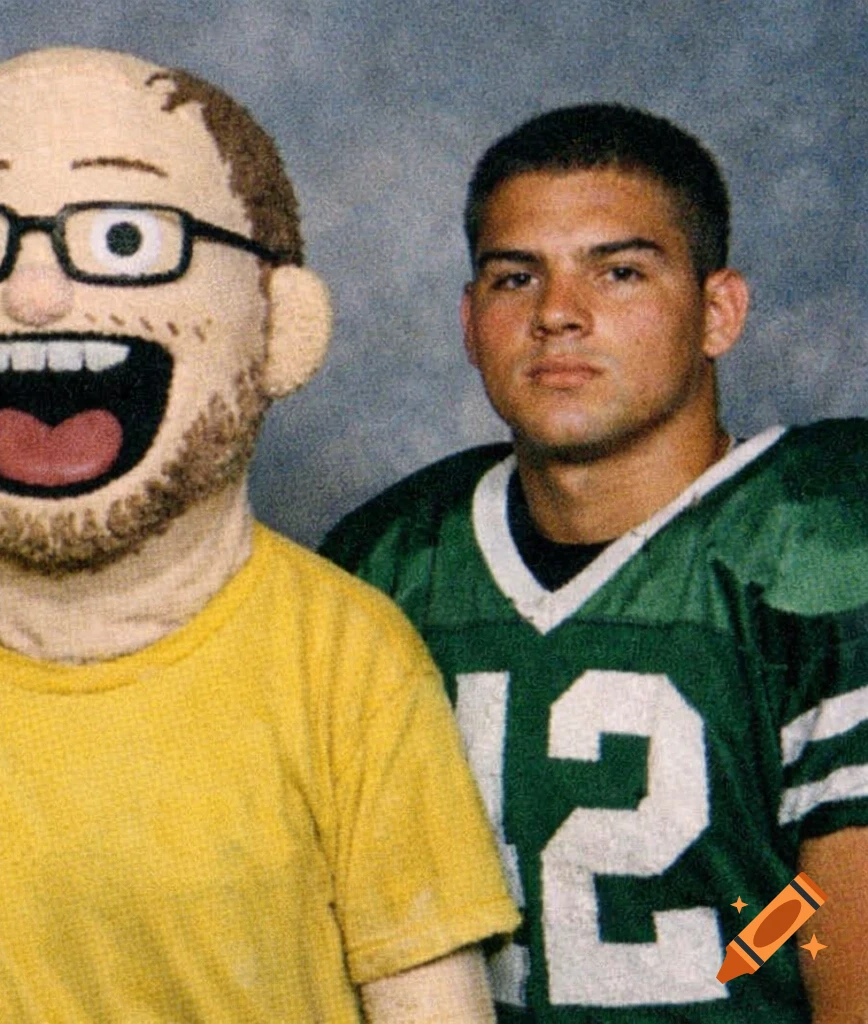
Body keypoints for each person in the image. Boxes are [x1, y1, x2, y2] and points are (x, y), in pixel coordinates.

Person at [0, 47, 519, 1023]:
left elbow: (432, 1003)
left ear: (281, 326)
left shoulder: (347, 656)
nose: (38, 294)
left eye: (127, 237)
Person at [320, 103, 868, 1022]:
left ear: (717, 311)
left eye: (619, 272)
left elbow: (833, 936)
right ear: (468, 319)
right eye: (513, 278)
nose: (557, 316)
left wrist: (760, 943)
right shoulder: (391, 559)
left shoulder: (821, 546)